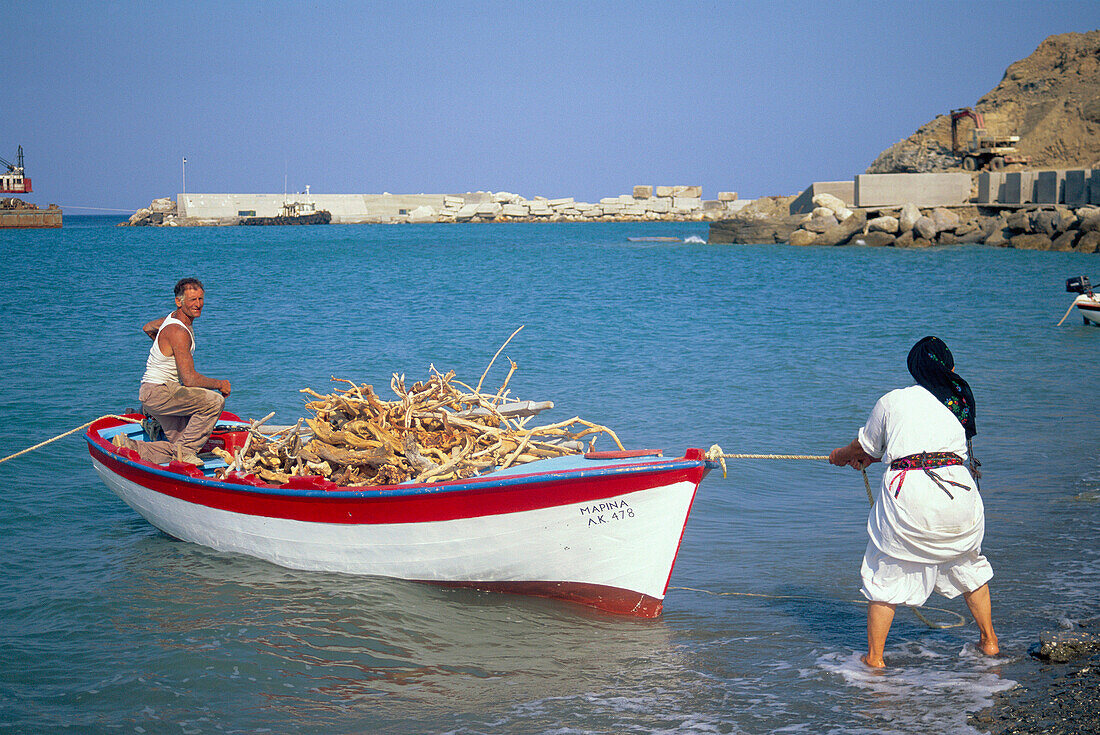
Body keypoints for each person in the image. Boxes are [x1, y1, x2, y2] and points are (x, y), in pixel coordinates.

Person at [829, 336, 998, 668]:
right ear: (949, 367)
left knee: (886, 568)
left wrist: (840, 456)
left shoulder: (894, 400)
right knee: (968, 564)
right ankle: (990, 641)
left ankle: (875, 660)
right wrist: (876, 458)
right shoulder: (958, 402)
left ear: (915, 369)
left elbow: (864, 450)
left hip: (912, 495)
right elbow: (932, 449)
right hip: (960, 491)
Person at [113, 278, 231, 465]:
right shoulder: (178, 332)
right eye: (192, 300)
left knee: (181, 442)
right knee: (214, 402)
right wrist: (220, 384)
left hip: (152, 393)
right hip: (160, 393)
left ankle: (130, 447)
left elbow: (147, 327)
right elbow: (190, 379)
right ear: (179, 301)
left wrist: (165, 349)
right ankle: (184, 454)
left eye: (201, 299)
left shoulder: (170, 320)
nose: (198, 304)